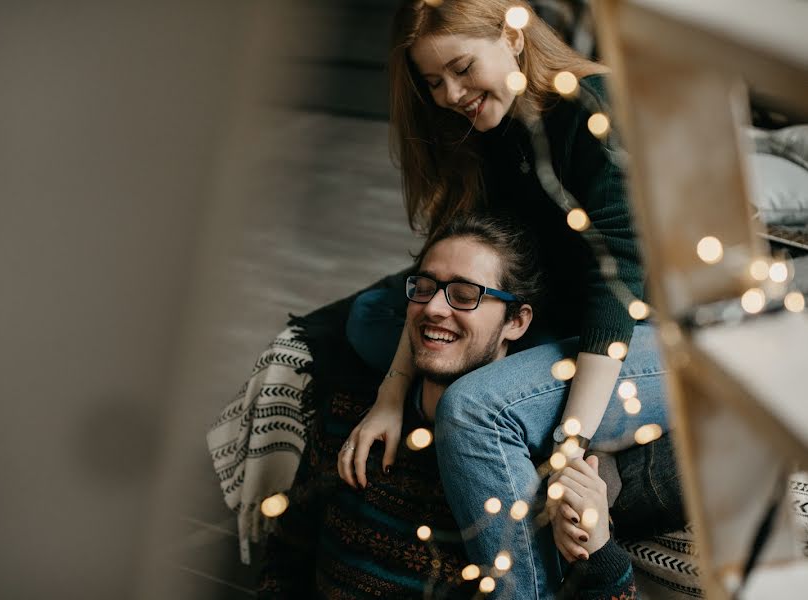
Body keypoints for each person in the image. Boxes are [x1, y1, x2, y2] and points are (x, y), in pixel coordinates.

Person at [339, 1, 671, 598]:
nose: (450, 94)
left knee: (470, 408)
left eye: (463, 69)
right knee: (371, 317)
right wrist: (390, 398)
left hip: (660, 331)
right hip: (556, 313)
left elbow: (615, 288)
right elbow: (463, 259)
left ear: (513, 37)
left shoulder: (598, 109)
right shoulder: (485, 130)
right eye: (434, 81)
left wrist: (572, 443)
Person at [260, 215, 654, 599]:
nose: (433, 308)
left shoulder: (523, 473)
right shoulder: (352, 416)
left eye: (465, 296)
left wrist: (601, 552)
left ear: (516, 322)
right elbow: (287, 554)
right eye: (425, 287)